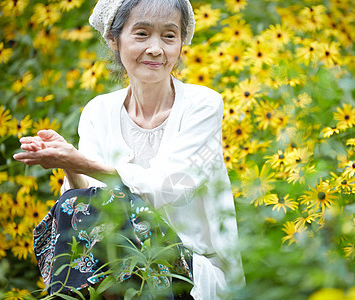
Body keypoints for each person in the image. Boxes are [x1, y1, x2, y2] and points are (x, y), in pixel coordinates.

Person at [13, 0, 244, 299]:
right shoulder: (98, 111)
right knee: (76, 207)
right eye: (142, 33)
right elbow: (86, 208)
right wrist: (68, 163)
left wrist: (80, 160)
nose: (156, 49)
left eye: (169, 36)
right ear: (114, 38)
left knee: (122, 222)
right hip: (112, 267)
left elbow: (171, 188)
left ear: (182, 44)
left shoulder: (203, 105)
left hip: (190, 274)